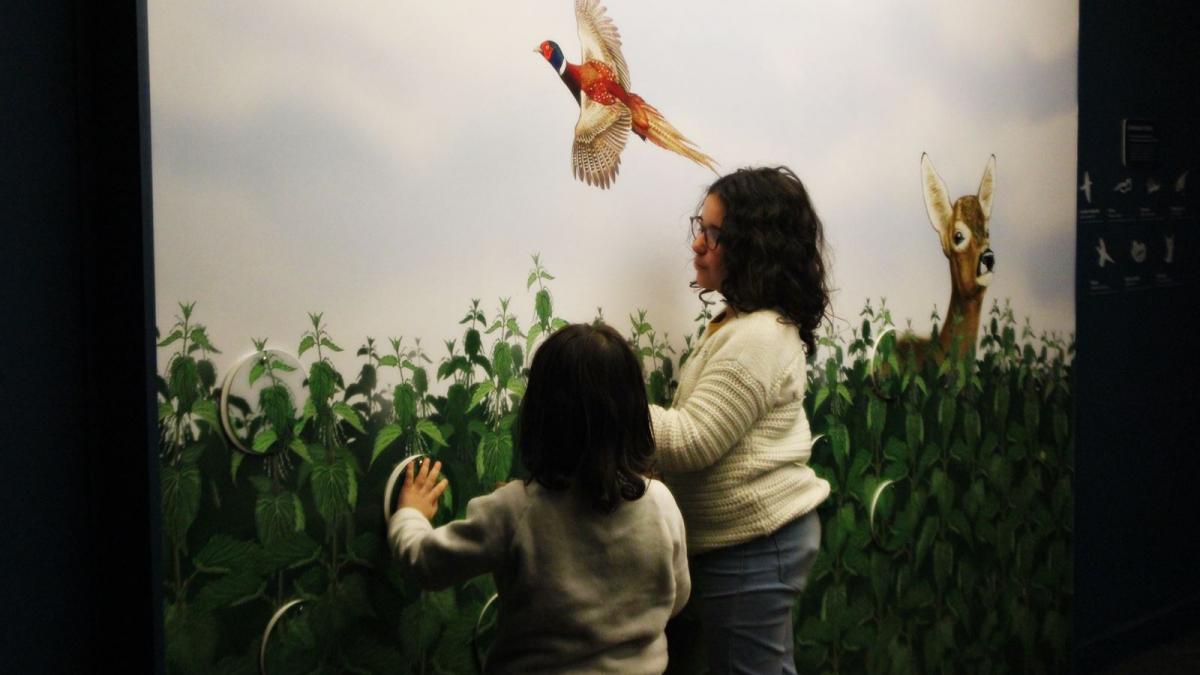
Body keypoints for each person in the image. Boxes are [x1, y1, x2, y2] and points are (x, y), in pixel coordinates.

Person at [389, 322, 690, 674]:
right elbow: (676, 597)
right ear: (636, 412)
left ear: (540, 415)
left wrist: (410, 513)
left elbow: (424, 565)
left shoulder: (513, 510)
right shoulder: (660, 501)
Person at [652, 166, 831, 674]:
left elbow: (691, 441)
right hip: (746, 544)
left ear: (754, 246)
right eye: (699, 226)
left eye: (713, 234)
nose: (697, 244)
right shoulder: (741, 324)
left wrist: (610, 407)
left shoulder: (757, 336)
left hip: (754, 546)